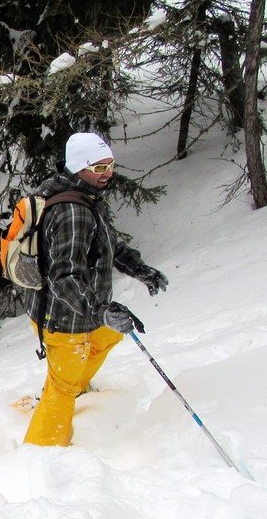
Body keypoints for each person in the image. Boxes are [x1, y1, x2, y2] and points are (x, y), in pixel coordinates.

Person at [22, 132, 168, 447]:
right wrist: (101, 310)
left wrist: (139, 269)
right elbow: (64, 277)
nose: (108, 174)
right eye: (99, 168)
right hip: (64, 318)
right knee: (62, 390)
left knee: (108, 335)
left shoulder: (84, 196)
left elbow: (106, 243)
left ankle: (73, 384)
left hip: (81, 310)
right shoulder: (73, 212)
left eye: (110, 165)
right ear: (78, 167)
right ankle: (39, 454)